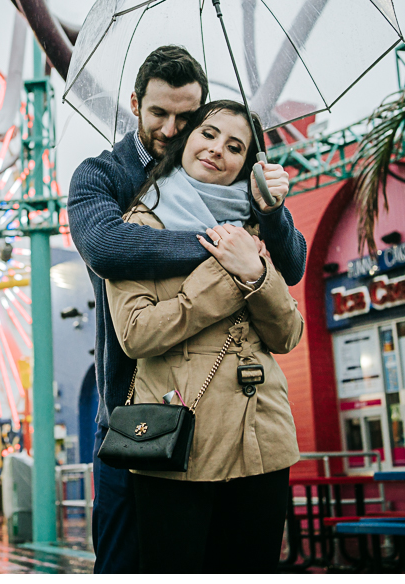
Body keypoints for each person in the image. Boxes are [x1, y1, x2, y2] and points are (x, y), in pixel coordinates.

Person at [67, 45, 307, 574]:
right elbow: (107, 248)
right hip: (133, 411)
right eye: (159, 113)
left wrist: (270, 212)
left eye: (187, 117)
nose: (172, 128)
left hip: (244, 423)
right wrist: (224, 250)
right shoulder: (102, 177)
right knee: (128, 562)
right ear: (135, 104)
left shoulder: (238, 194)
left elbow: (292, 270)